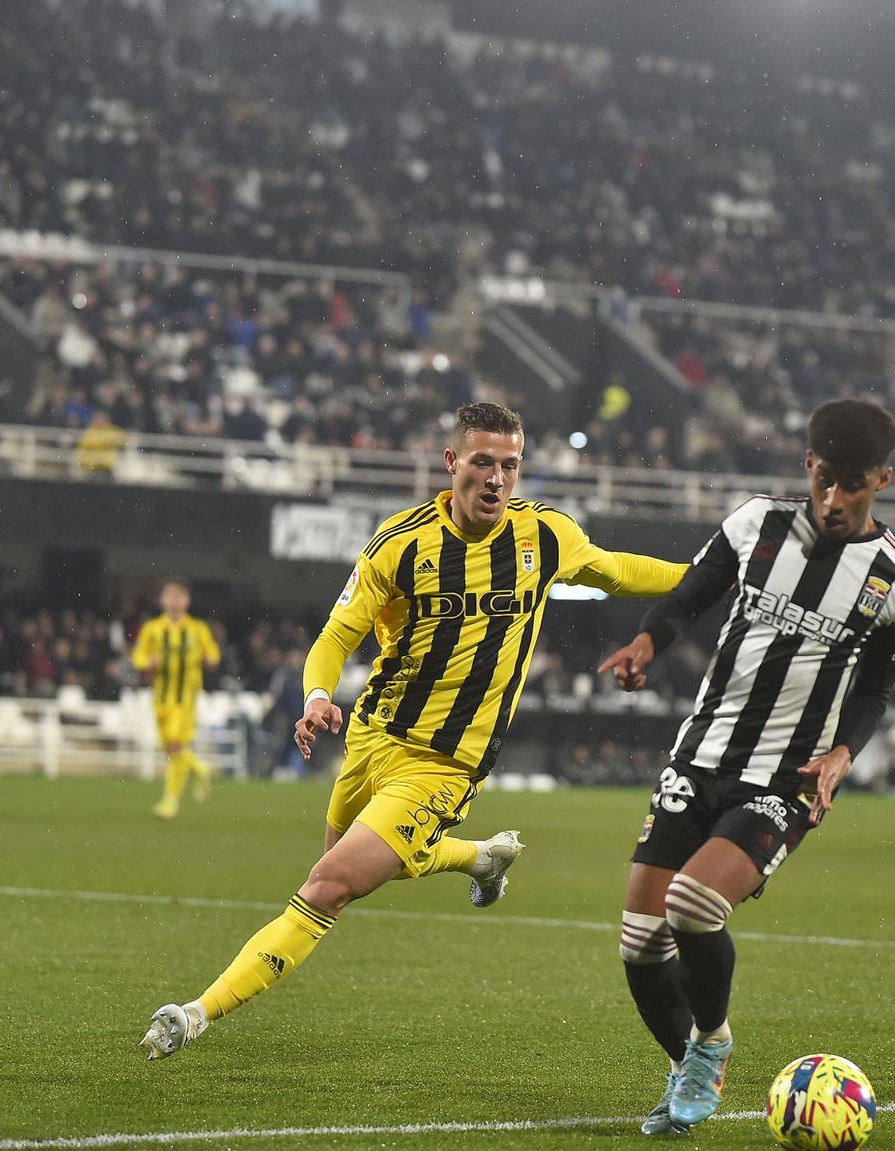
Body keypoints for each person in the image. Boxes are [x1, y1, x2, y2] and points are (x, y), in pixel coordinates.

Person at [139, 401, 688, 1060]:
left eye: (510, 465)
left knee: (327, 885)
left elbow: (618, 571)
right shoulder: (400, 543)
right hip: (371, 738)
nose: (496, 478)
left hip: (444, 764)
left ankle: (196, 1012)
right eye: (482, 462)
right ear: (452, 462)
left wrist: (706, 581)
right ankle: (479, 857)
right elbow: (336, 636)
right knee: (357, 866)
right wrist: (318, 695)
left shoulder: (544, 536)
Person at [597, 398, 895, 1133]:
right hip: (700, 755)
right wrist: (648, 643)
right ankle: (687, 1065)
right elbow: (688, 598)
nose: (832, 499)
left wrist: (844, 752)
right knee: (640, 943)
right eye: (822, 478)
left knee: (692, 905)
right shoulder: (755, 524)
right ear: (807, 465)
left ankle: (711, 1042)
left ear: (881, 480)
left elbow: (875, 689)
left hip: (786, 779)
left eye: (851, 485)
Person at [130, 580, 223, 819]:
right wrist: (147, 663)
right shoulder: (152, 628)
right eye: (170, 595)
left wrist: (210, 658)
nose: (174, 600)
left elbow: (213, 653)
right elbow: (138, 656)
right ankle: (198, 769)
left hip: (185, 699)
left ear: (186, 601)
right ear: (162, 599)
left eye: (179, 595)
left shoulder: (197, 629)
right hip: (161, 698)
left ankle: (171, 800)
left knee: (174, 744)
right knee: (171, 750)